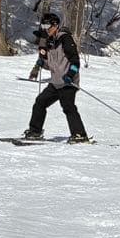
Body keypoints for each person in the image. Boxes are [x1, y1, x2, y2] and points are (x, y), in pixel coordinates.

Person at [23, 12, 90, 144]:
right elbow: (54, 65)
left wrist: (70, 75)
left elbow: (75, 62)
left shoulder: (65, 39)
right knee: (40, 102)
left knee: (68, 106)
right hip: (56, 82)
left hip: (68, 82)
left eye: (47, 25)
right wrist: (43, 64)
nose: (45, 28)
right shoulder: (49, 42)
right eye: (43, 25)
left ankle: (80, 135)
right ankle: (35, 132)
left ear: (55, 26)